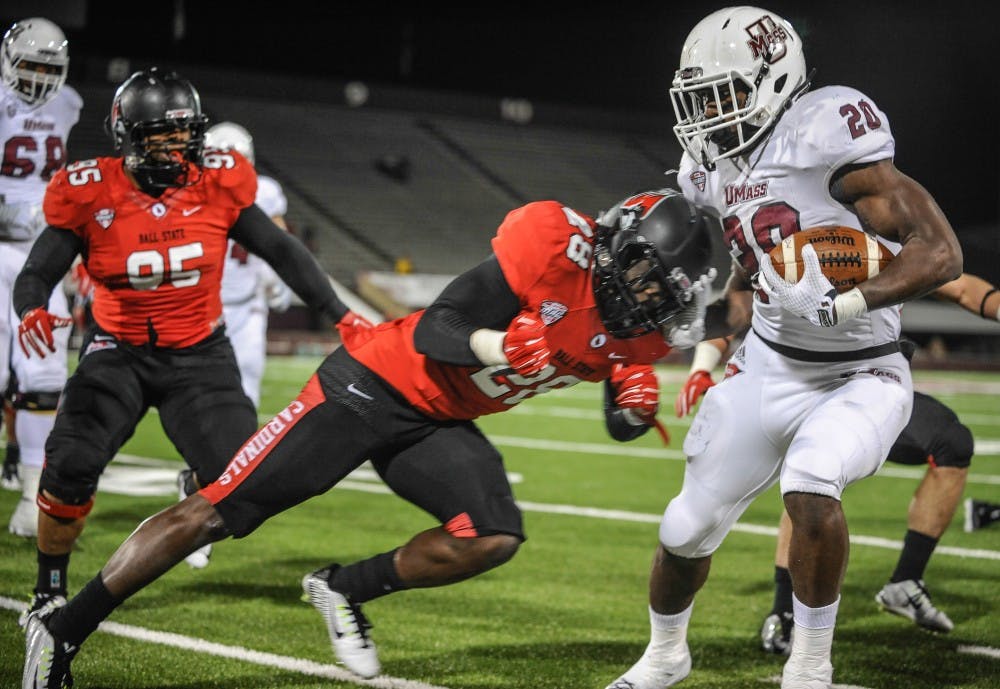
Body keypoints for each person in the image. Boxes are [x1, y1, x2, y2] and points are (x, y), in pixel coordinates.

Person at [21, 187, 718, 688]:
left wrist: (629, 404)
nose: (651, 301)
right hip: (373, 383)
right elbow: (440, 323)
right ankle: (64, 627)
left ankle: (343, 589)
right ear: (621, 244)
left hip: (438, 416)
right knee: (216, 511)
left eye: (667, 295)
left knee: (491, 532)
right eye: (647, 280)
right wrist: (500, 344)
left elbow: (616, 408)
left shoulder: (646, 334)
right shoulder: (552, 244)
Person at [605, 7, 963, 689]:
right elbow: (732, 276)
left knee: (812, 478)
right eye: (700, 100)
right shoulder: (707, 168)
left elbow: (940, 252)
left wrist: (845, 302)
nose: (710, 114)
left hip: (862, 370)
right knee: (685, 525)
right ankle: (664, 655)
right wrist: (701, 327)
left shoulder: (825, 130)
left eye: (724, 94)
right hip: (769, 363)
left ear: (774, 80)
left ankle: (808, 667)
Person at [12, 67, 371, 626]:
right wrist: (31, 307)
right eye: (162, 134)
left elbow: (282, 249)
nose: (177, 147)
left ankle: (183, 501)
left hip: (201, 355)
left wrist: (340, 314)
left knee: (241, 489)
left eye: (185, 134)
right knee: (69, 466)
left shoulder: (218, 183)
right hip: (117, 351)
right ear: (127, 133)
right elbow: (38, 270)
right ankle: (48, 590)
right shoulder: (90, 190)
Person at [675, 271, 999, 651]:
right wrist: (702, 363)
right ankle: (785, 611)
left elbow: (958, 285)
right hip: (802, 386)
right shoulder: (787, 230)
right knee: (812, 474)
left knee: (951, 443)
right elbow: (739, 300)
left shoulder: (890, 238)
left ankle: (905, 581)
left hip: (874, 385)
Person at [170, 121, 292, 568]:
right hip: (204, 307)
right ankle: (198, 494)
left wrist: (277, 278)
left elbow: (277, 239)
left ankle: (205, 498)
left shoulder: (264, 190)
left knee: (245, 410)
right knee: (198, 406)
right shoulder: (185, 190)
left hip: (247, 310)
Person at [0, 17, 81, 538]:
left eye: (46, 68)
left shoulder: (68, 103)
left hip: (43, 251)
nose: (35, 78)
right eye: (28, 65)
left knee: (45, 376)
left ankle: (32, 496)